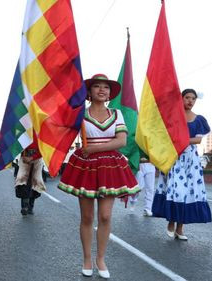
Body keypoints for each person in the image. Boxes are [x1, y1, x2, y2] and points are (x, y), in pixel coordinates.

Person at [58, 74, 139, 279]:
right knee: (87, 217)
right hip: (85, 166)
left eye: (105, 87)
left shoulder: (116, 113)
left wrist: (95, 149)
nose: (102, 90)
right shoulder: (80, 115)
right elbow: (61, 130)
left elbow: (121, 141)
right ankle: (87, 258)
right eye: (97, 87)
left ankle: (100, 258)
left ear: (110, 93)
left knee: (105, 216)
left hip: (109, 165)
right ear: (89, 92)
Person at [152, 88, 212, 240]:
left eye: (193, 98)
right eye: (187, 97)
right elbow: (165, 136)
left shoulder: (199, 120)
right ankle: (171, 222)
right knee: (177, 190)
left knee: (188, 193)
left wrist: (179, 139)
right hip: (174, 158)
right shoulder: (172, 117)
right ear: (181, 98)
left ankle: (180, 229)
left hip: (191, 160)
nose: (190, 101)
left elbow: (198, 140)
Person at [14, 132, 45, 215]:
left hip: (37, 159)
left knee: (35, 183)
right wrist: (23, 155)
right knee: (22, 181)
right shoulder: (24, 130)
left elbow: (44, 149)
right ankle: (24, 207)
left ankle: (30, 207)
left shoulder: (41, 130)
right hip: (25, 158)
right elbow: (17, 145)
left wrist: (32, 157)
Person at [129, 152, 156, 216]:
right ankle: (132, 200)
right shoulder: (138, 141)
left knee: (150, 188)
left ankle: (148, 209)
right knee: (138, 187)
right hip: (140, 164)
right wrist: (136, 163)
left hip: (151, 164)